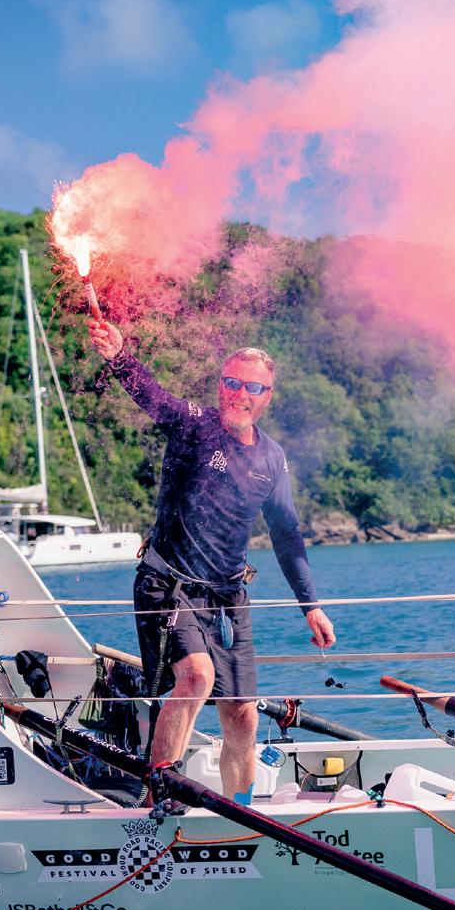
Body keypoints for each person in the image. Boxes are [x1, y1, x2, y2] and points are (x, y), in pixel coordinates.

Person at [87, 320, 337, 800]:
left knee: (242, 714)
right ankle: (159, 796)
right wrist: (119, 356)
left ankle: (242, 810)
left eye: (253, 387)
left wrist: (311, 606)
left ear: (268, 397)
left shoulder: (271, 459)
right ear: (220, 385)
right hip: (168, 586)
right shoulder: (193, 425)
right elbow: (152, 395)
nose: (240, 394)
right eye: (231, 382)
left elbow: (287, 536)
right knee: (197, 677)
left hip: (227, 599)